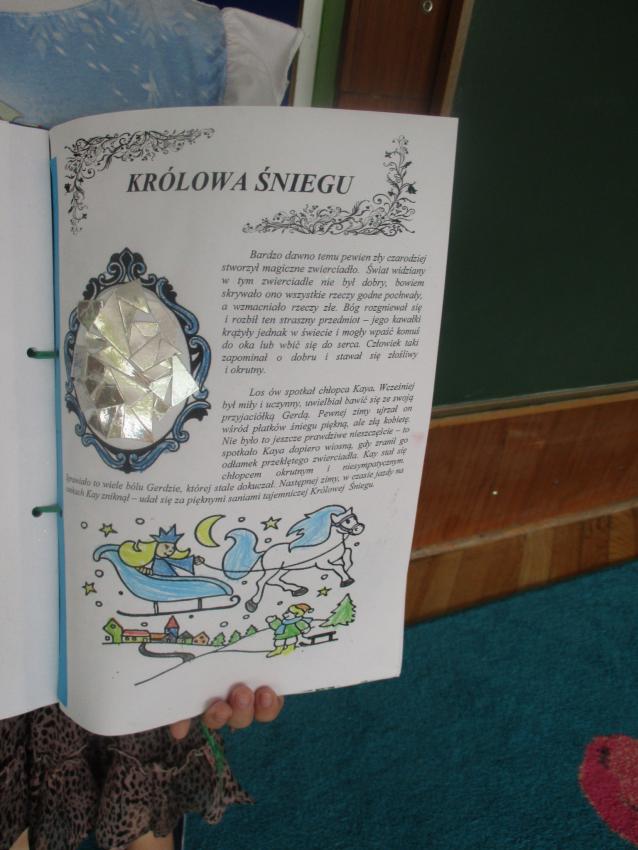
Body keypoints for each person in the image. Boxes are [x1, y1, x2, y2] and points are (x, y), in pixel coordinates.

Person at [0, 2, 302, 848]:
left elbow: (238, 269)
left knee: (139, 758)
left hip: (139, 471)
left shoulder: (225, 26)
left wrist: (244, 637)